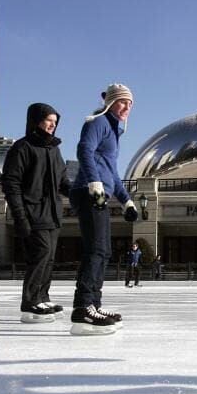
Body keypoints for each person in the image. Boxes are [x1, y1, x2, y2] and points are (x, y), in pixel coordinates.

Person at [69, 83, 139, 335]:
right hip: (88, 192)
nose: (127, 108)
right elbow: (83, 150)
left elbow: (113, 173)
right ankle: (82, 308)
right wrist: (93, 183)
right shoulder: (97, 122)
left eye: (130, 104)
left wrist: (127, 201)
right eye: (122, 102)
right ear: (110, 102)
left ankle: (94, 305)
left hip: (101, 193)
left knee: (104, 250)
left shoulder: (114, 130)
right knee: (96, 249)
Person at [0, 103, 70, 323]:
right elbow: (11, 182)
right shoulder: (23, 148)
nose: (52, 125)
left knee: (48, 258)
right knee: (40, 254)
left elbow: (63, 181)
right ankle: (30, 301)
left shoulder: (54, 149)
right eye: (48, 120)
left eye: (55, 122)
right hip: (32, 211)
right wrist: (20, 217)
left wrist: (81, 193)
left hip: (53, 213)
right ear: (36, 120)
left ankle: (42, 297)